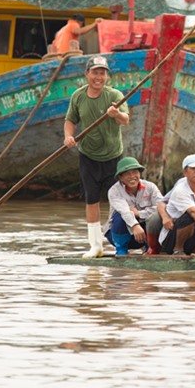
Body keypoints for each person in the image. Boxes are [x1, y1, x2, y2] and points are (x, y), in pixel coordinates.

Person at [64, 55, 130, 258]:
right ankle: (95, 245)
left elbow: (125, 120)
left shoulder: (115, 95)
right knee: (91, 199)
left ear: (107, 76)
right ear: (87, 74)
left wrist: (115, 114)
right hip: (88, 156)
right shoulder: (78, 96)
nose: (98, 77)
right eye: (95, 73)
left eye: (102, 73)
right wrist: (68, 136)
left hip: (113, 155)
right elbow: (70, 120)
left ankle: (121, 242)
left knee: (117, 199)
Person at [103, 156, 162, 257]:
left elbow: (162, 206)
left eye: (135, 172)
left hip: (144, 234)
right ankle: (121, 250)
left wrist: (139, 213)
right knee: (119, 216)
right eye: (127, 174)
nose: (132, 176)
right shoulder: (114, 191)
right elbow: (124, 211)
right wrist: (135, 225)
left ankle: (150, 248)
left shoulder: (150, 187)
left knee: (158, 216)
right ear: (120, 177)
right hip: (118, 233)